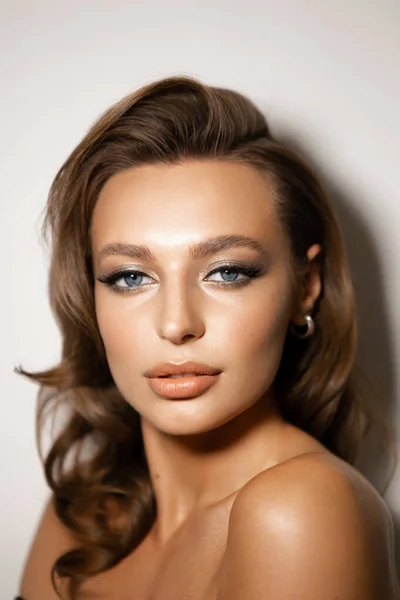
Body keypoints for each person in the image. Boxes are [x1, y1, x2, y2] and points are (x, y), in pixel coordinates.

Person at [15, 74, 399, 600]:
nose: (176, 325)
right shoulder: (87, 511)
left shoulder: (300, 509)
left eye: (227, 272)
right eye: (130, 276)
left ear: (306, 287)